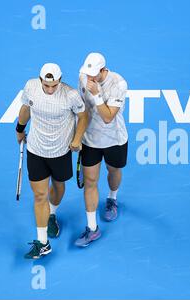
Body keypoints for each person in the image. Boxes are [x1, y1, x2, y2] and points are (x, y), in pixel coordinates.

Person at [16, 63, 88, 259]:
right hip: (36, 150)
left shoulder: (70, 95)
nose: (50, 89)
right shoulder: (30, 87)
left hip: (60, 151)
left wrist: (77, 138)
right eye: (46, 86)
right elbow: (25, 109)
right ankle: (42, 243)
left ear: (60, 80)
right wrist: (19, 129)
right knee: (39, 196)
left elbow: (83, 116)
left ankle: (52, 214)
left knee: (58, 187)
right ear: (40, 80)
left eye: (54, 85)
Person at [74, 53, 128, 247]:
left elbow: (107, 117)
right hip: (90, 141)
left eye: (93, 74)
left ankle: (112, 198)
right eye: (87, 74)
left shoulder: (118, 84)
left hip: (115, 140)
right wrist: (77, 136)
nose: (89, 78)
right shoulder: (84, 77)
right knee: (90, 181)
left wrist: (96, 94)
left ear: (103, 70)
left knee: (113, 172)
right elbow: (83, 110)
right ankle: (92, 228)